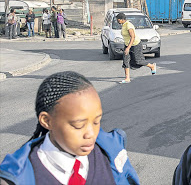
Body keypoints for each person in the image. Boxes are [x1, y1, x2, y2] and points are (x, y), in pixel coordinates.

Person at [0, 71, 140, 184]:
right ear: (46, 121)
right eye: (78, 125)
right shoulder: (19, 177)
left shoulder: (110, 151)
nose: (91, 134)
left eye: (97, 122)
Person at [116, 13, 156, 84]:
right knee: (126, 60)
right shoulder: (123, 25)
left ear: (122, 19)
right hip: (127, 44)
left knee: (138, 61)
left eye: (118, 20)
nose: (117, 21)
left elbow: (133, 37)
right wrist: (127, 46)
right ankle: (127, 78)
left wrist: (128, 48)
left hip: (135, 44)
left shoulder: (129, 25)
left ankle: (152, 66)